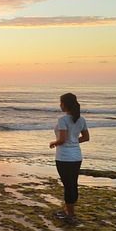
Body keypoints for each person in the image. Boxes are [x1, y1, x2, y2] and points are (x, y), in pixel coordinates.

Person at [48, 92, 89, 223]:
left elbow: (62, 139)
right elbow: (86, 137)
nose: (60, 105)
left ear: (64, 104)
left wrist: (53, 143)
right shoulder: (81, 119)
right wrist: (74, 142)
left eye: (60, 102)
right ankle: (69, 211)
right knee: (73, 183)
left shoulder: (63, 120)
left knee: (68, 185)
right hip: (76, 156)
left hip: (64, 157)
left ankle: (70, 214)